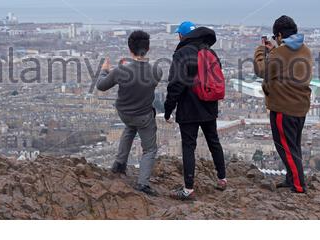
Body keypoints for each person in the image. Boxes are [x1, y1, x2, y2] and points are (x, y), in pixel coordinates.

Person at [164, 21, 227, 201]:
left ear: (181, 36)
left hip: (188, 109)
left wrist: (169, 109)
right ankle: (222, 178)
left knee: (188, 146)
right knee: (213, 141)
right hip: (209, 106)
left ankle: (188, 189)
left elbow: (175, 85)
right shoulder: (210, 52)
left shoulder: (182, 54)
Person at [96, 30, 163, 196]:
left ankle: (119, 163)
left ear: (129, 49)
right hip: (143, 116)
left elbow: (101, 86)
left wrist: (104, 70)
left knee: (130, 127)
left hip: (124, 113)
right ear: (147, 48)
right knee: (150, 150)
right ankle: (142, 183)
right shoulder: (156, 71)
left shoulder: (120, 71)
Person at [253, 15, 313, 193]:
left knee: (285, 147)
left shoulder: (278, 53)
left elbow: (262, 71)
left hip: (283, 107)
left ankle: (298, 184)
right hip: (300, 106)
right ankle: (291, 178)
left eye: (274, 36)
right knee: (293, 146)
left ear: (279, 35)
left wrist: (260, 51)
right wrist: (274, 51)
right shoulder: (305, 50)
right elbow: (285, 64)